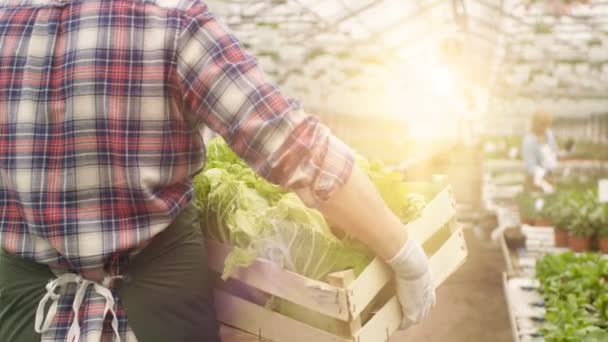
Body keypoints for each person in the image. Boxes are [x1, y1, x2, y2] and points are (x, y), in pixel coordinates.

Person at [0, 0, 435, 341]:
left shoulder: (6, 21)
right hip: (156, 321)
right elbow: (295, 148)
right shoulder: (174, 22)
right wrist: (405, 254)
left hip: (25, 320)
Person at [522, 110, 559, 194]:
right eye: (542, 124)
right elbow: (531, 167)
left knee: (551, 201)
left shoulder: (549, 134)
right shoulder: (529, 141)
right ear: (534, 124)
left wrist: (551, 175)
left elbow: (554, 152)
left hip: (549, 177)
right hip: (534, 180)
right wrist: (544, 178)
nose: (545, 128)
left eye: (547, 124)